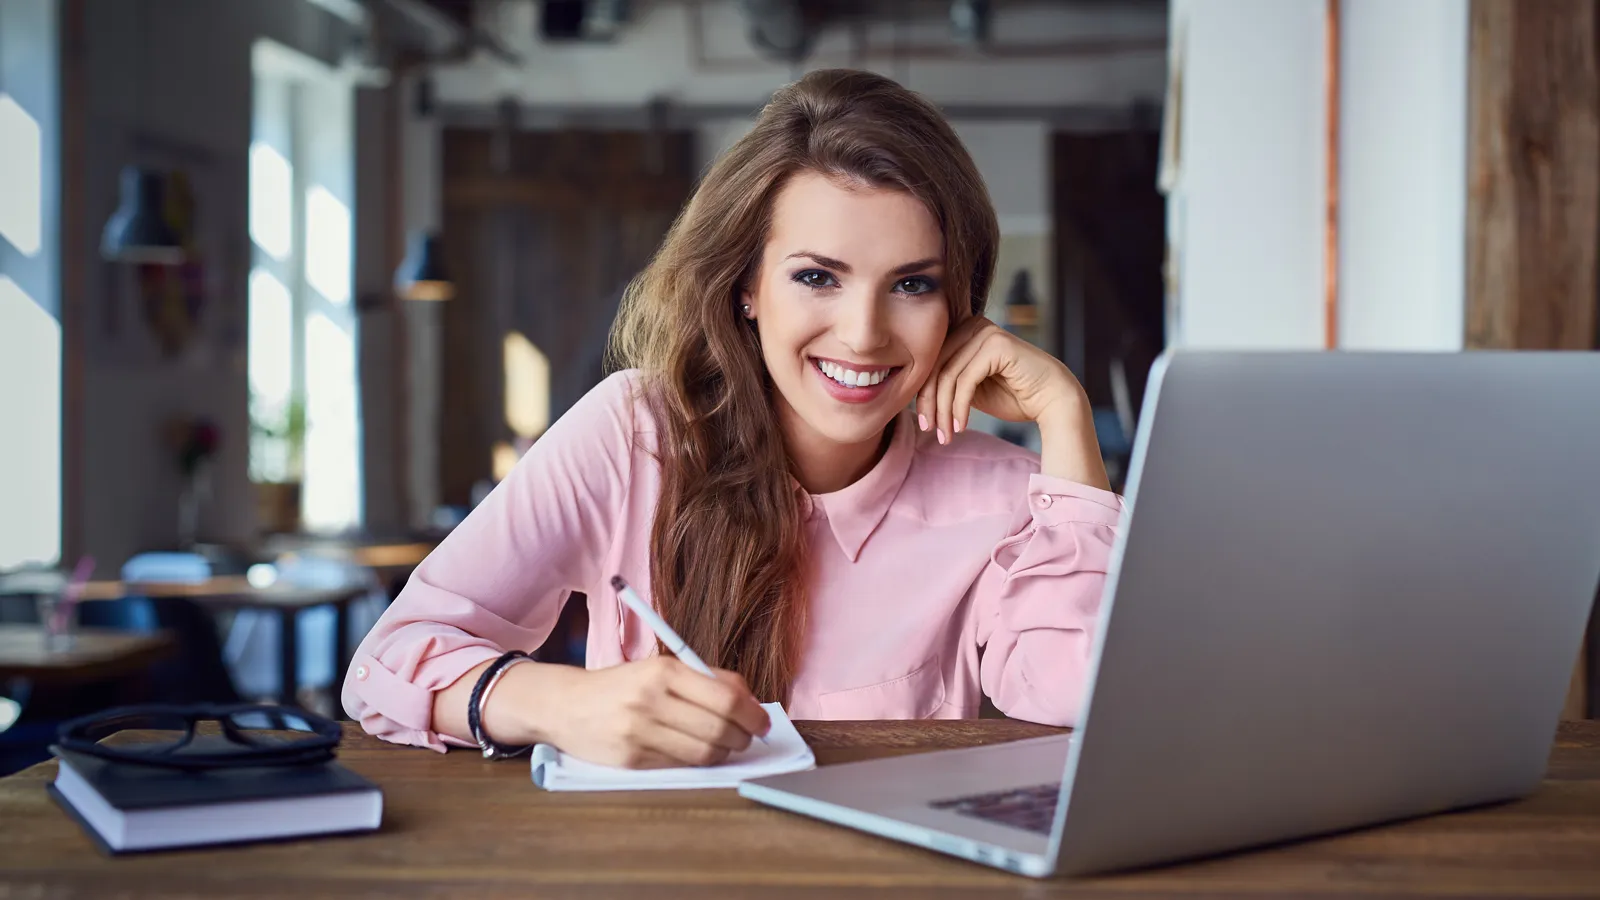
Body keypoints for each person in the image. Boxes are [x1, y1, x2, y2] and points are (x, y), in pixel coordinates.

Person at [343, 69, 1124, 769]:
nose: (863, 333)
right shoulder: (634, 435)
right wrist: (555, 704)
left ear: (958, 305)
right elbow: (386, 666)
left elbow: (1078, 696)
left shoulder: (1005, 496)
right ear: (747, 286)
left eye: (913, 285)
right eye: (818, 276)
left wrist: (1064, 413)